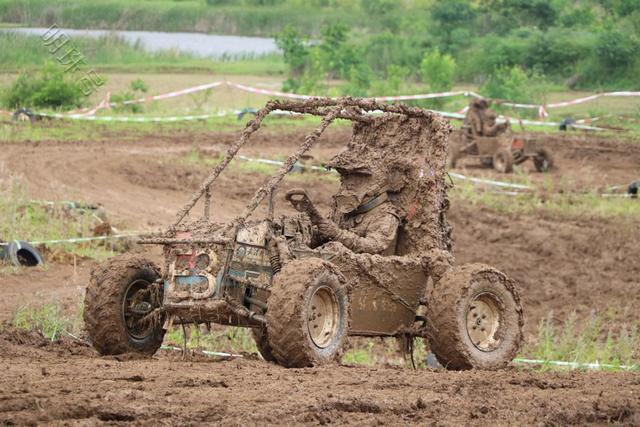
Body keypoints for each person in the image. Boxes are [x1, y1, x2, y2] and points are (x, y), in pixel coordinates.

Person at [288, 149, 401, 255]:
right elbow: (326, 235)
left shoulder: (385, 215)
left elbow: (373, 246)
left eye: (357, 180)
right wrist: (313, 232)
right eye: (345, 178)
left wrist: (338, 234)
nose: (348, 185)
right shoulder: (343, 209)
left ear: (375, 184)